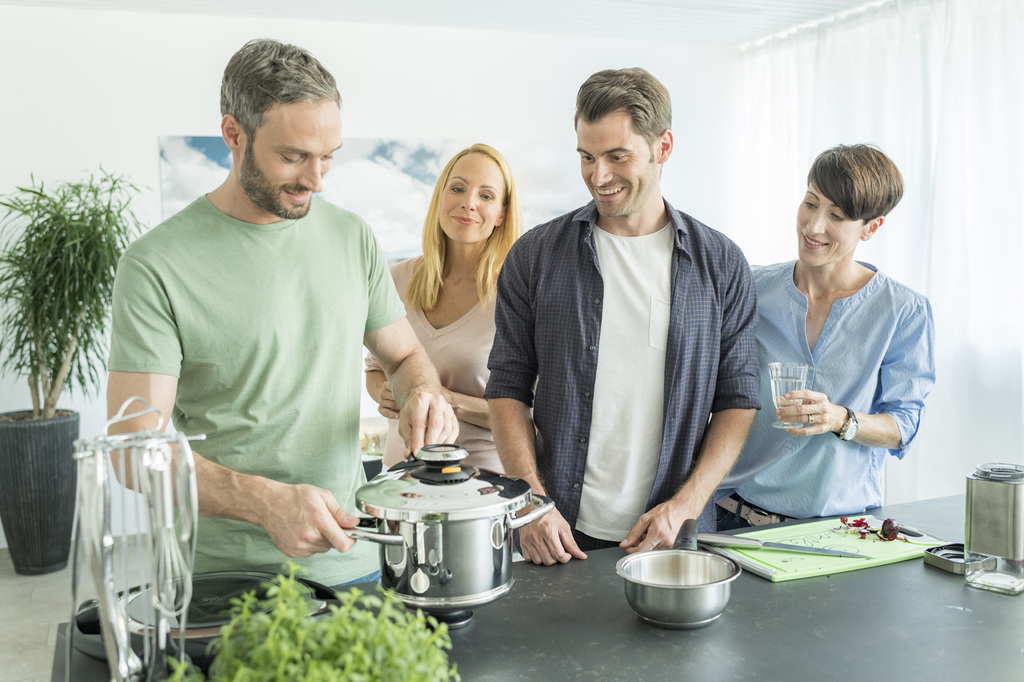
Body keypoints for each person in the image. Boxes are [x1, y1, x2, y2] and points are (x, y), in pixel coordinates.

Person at [106, 39, 457, 587]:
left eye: (329, 157)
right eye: (293, 157)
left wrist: (422, 394)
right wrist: (263, 502)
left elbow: (405, 353)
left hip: (354, 561)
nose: (316, 180)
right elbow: (133, 450)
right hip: (222, 580)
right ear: (233, 134)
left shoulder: (352, 237)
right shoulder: (155, 265)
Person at [484, 68, 761, 565]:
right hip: (557, 532)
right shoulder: (535, 256)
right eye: (586, 157)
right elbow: (507, 386)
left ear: (664, 147)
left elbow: (738, 399)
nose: (599, 176)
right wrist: (527, 502)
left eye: (617, 157)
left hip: (674, 533)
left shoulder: (721, 264)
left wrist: (686, 505)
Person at [716, 144, 936, 529]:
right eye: (810, 203)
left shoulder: (903, 311)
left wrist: (840, 418)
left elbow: (904, 427)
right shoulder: (751, 287)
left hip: (838, 530)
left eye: (836, 215)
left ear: (871, 227)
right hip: (733, 517)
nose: (813, 226)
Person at [365, 144, 524, 471]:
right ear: (441, 196)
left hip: (482, 493)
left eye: (487, 196)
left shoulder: (518, 295)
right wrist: (383, 391)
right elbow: (375, 369)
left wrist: (446, 401)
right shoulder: (395, 280)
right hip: (400, 489)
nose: (469, 203)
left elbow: (536, 419)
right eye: (458, 188)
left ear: (502, 214)